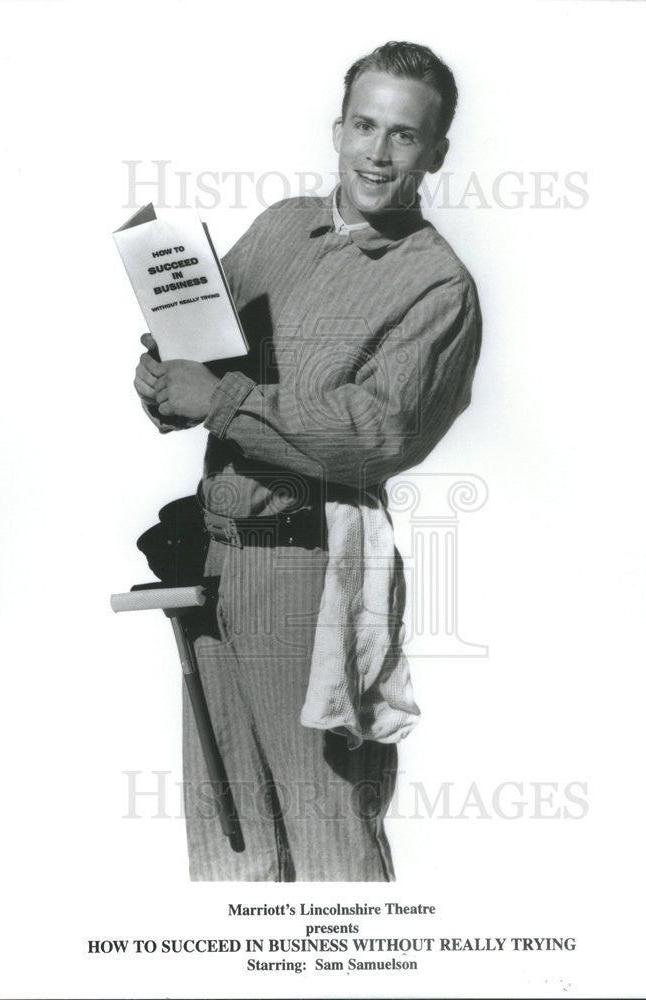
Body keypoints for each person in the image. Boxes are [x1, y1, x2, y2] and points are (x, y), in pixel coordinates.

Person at [133, 41, 481, 881]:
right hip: (213, 558)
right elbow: (207, 362)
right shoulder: (283, 228)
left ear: (436, 153)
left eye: (403, 135)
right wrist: (159, 375)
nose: (377, 151)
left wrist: (217, 400)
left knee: (327, 833)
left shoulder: (436, 286)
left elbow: (374, 432)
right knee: (230, 837)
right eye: (364, 125)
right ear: (336, 129)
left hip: (310, 570)